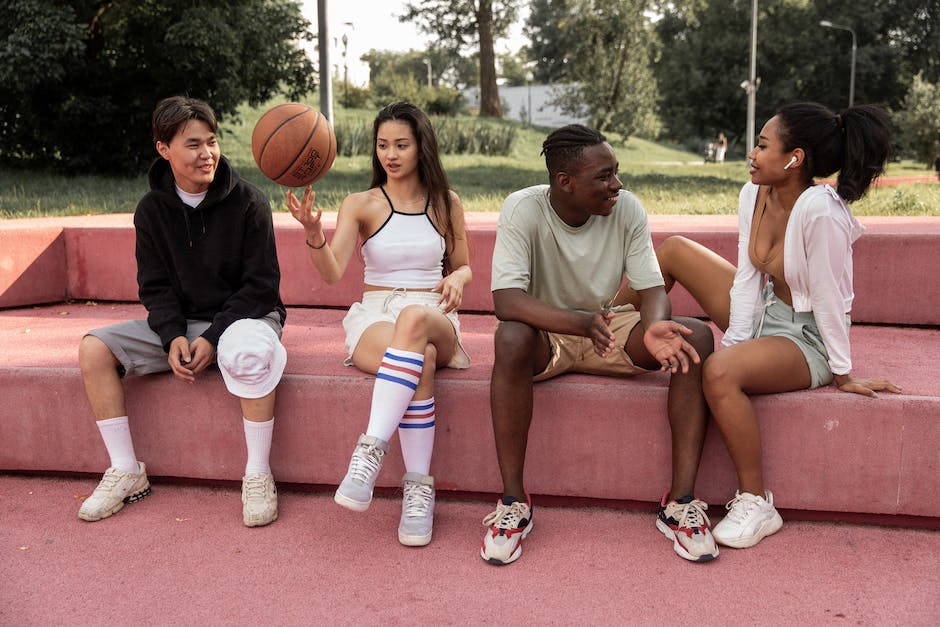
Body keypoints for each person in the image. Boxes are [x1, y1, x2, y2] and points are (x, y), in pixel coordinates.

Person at [631, 102, 901, 549]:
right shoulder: (752, 193)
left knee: (718, 372)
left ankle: (757, 502)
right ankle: (603, 319)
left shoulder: (822, 212)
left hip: (806, 336)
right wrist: (737, 343)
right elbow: (746, 276)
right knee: (675, 249)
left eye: (761, 145)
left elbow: (832, 298)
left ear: (794, 158)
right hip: (763, 312)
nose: (751, 154)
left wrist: (842, 370)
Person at [481, 124, 718, 565]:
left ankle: (680, 504)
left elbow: (651, 290)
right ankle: (513, 503)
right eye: (604, 176)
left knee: (696, 337)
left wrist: (653, 327)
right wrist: (577, 322)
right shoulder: (523, 208)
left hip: (609, 328)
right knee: (509, 338)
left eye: (617, 173)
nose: (617, 184)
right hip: (549, 331)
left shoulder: (626, 208)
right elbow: (506, 301)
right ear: (564, 181)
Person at [77, 96, 287, 527]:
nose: (207, 153)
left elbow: (261, 288)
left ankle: (258, 474)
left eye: (211, 142)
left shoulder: (250, 201)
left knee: (246, 351)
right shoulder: (151, 210)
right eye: (192, 144)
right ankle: (126, 471)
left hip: (246, 319)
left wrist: (211, 337)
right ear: (163, 149)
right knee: (95, 349)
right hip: (184, 324)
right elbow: (154, 287)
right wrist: (173, 335)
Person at [286, 101, 471, 547]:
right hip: (376, 316)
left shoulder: (447, 203)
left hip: (435, 314)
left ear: (421, 146)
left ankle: (368, 450)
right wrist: (314, 233)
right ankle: (418, 493)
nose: (390, 154)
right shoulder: (360, 204)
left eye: (401, 145)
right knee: (419, 360)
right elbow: (332, 272)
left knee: (416, 323)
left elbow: (464, 267)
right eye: (382, 144)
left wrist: (458, 278)